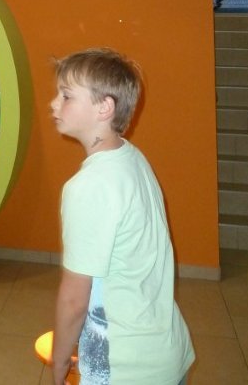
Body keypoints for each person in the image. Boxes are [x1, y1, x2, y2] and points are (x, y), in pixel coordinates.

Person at [50, 47, 194, 385]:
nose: (54, 104)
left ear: (104, 107)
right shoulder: (131, 156)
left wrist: (59, 361)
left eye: (66, 96)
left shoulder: (89, 186)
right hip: (166, 351)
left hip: (125, 369)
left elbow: (74, 299)